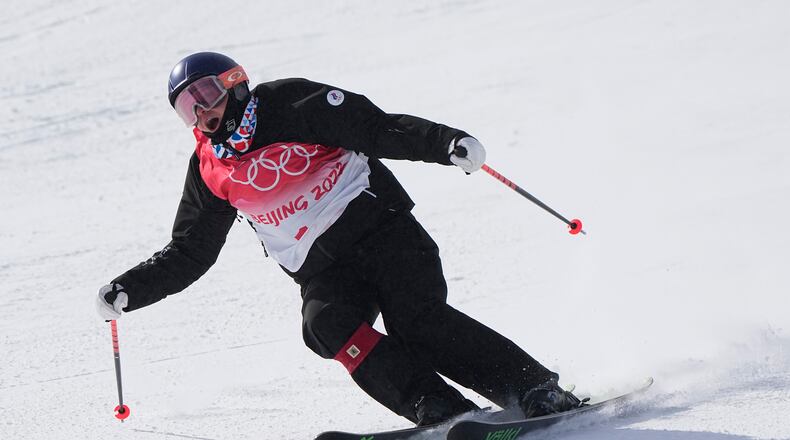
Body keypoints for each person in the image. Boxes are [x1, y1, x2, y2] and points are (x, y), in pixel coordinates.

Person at [96, 52, 584, 425]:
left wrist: (444, 142)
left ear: (235, 80)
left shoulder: (290, 103)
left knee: (416, 321)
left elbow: (376, 129)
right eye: (187, 107)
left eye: (205, 94)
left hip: (384, 232)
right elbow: (190, 251)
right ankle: (436, 406)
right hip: (324, 270)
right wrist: (130, 289)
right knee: (324, 324)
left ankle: (534, 389)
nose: (202, 112)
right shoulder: (209, 169)